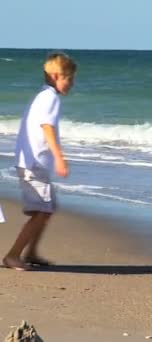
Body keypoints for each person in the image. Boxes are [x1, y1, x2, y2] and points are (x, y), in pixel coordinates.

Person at [3, 52, 76, 271]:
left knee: (46, 208)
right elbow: (47, 127)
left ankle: (32, 252)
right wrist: (59, 158)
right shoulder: (50, 98)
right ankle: (13, 255)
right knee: (42, 211)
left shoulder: (43, 96)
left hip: (31, 162)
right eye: (69, 79)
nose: (71, 84)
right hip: (33, 164)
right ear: (55, 76)